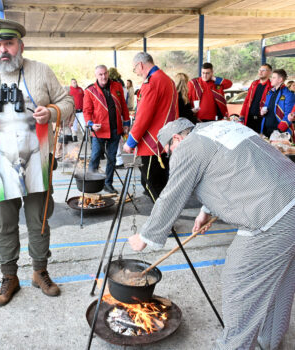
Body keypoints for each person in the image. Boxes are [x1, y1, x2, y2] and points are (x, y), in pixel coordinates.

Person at [128, 118, 295, 350]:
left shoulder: (187, 146)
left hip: (272, 214)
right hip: (291, 194)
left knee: (240, 284)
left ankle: (234, 346)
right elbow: (231, 169)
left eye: (169, 151)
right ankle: (269, 341)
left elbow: (172, 194)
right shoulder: (218, 127)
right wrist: (205, 212)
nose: (171, 155)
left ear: (176, 139)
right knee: (281, 279)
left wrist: (144, 237)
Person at [0, 18, 74, 306]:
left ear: (20, 45)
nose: (3, 49)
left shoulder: (41, 71)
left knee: (38, 223)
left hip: (37, 165)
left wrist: (52, 112)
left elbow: (68, 102)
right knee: (4, 225)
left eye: (9, 43)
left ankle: (40, 272)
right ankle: (9, 277)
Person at [123, 52, 178, 199]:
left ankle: (165, 220)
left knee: (152, 185)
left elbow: (143, 117)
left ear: (140, 65)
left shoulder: (151, 83)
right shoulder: (168, 80)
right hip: (166, 140)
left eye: (135, 69)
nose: (136, 73)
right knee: (160, 183)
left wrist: (131, 142)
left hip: (152, 144)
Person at [83, 65, 130, 193]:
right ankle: (91, 184)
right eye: (100, 74)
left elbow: (124, 107)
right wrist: (91, 124)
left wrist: (126, 122)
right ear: (96, 76)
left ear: (108, 73)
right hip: (99, 131)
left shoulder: (117, 86)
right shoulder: (90, 91)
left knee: (112, 158)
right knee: (95, 157)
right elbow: (86, 111)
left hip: (115, 129)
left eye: (105, 74)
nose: (103, 77)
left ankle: (108, 184)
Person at [260, 69, 295, 138]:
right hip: (266, 130)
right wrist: (262, 111)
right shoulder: (270, 92)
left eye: (273, 77)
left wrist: (279, 130)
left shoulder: (289, 94)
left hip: (280, 132)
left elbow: (289, 115)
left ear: (280, 79)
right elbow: (265, 106)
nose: (271, 79)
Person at [240, 63, 272, 132]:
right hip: (250, 117)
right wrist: (242, 114)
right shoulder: (254, 84)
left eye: (263, 70)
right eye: (259, 70)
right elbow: (247, 100)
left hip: (262, 118)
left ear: (269, 72)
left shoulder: (271, 86)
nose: (260, 72)